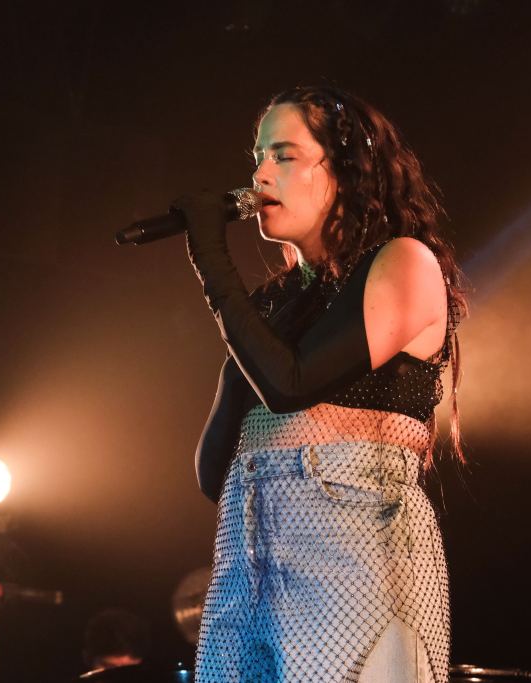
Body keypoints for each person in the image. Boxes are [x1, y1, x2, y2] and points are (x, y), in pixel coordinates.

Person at [175, 85, 467, 683]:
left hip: (354, 558)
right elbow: (212, 473)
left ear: (347, 169)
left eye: (282, 155)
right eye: (258, 156)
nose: (259, 174)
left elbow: (291, 385)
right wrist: (239, 361)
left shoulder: (404, 262)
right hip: (245, 565)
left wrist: (210, 257)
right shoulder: (278, 304)